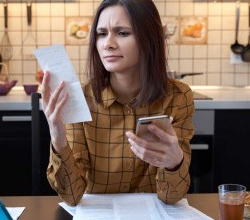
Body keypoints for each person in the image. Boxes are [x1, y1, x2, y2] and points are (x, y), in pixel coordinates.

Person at [42, 0, 194, 206]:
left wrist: (175, 163)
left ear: (149, 38)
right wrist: (58, 139)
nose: (108, 44)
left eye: (122, 33)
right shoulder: (81, 99)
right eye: (102, 34)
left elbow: (171, 197)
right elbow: (72, 196)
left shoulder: (178, 96)